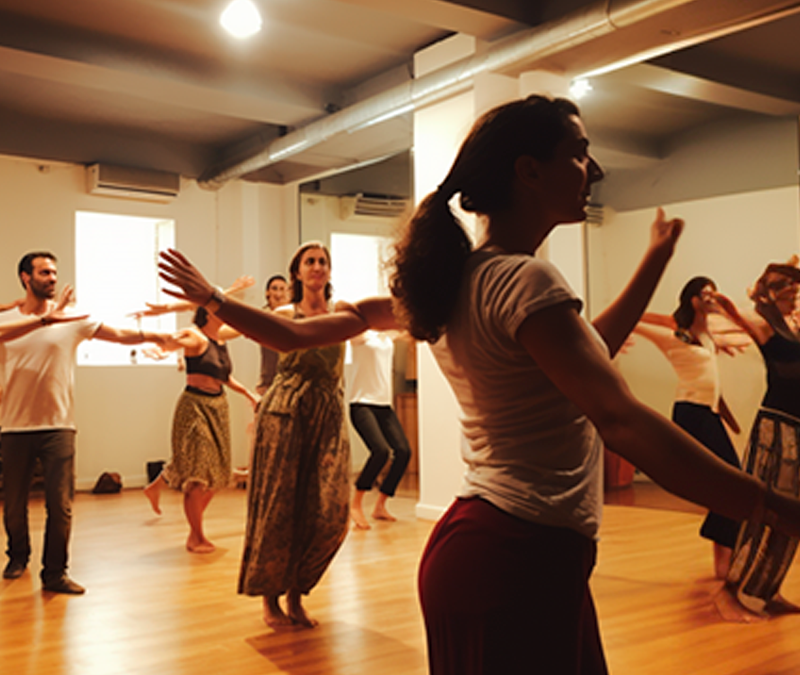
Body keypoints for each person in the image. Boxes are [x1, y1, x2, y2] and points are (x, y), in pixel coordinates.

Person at [158, 96, 800, 673]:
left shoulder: (457, 285)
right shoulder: (525, 282)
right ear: (528, 171)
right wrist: (766, 507)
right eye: (577, 155)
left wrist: (655, 260)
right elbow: (622, 418)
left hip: (496, 553)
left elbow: (590, 358)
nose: (593, 171)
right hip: (517, 560)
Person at [0, 251, 168, 594]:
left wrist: (155, 336)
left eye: (54, 272)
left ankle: (55, 573)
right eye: (44, 272)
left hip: (59, 426)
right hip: (14, 426)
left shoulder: (74, 319)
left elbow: (119, 334)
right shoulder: (11, 318)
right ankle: (18, 555)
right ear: (24, 277)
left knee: (60, 505)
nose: (52, 278)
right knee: (14, 503)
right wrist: (48, 320)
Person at [242, 242, 351, 628]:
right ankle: (275, 600)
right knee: (281, 507)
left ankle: (298, 590)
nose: (317, 267)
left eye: (323, 262)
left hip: (328, 413)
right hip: (286, 410)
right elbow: (227, 326)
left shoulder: (344, 314)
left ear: (329, 271)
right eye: (310, 262)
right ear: (298, 272)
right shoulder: (285, 313)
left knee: (330, 510)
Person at [633, 277, 743, 578]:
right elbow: (637, 319)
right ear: (692, 299)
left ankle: (723, 558)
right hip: (690, 413)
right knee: (731, 481)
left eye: (712, 293)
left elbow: (714, 380)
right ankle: (723, 561)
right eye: (704, 294)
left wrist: (727, 419)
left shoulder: (707, 336)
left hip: (707, 414)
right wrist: (620, 335)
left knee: (730, 483)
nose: (710, 298)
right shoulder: (675, 335)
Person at [713, 258, 800, 616]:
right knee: (768, 512)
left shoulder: (793, 327)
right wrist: (737, 299)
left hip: (795, 429)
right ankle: (740, 592)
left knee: (789, 518)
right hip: (776, 429)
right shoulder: (763, 325)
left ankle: (767, 590)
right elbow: (735, 313)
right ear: (771, 296)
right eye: (790, 293)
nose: (796, 298)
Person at [142, 306, 258, 553]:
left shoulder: (220, 339)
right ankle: (196, 536)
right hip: (195, 408)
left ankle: (159, 487)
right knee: (197, 475)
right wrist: (163, 349)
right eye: (218, 308)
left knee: (217, 473)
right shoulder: (195, 335)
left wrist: (249, 394)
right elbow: (175, 340)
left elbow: (225, 377)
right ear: (207, 313)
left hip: (218, 407)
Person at [348, 330, 411, 529]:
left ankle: (380, 506)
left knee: (403, 451)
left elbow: (411, 333)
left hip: (384, 406)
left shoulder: (388, 336)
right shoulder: (361, 336)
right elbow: (343, 308)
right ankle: (356, 504)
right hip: (361, 404)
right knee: (380, 451)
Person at [256, 274, 289, 396]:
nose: (278, 294)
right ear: (267, 293)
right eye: (274, 288)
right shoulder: (263, 317)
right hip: (268, 383)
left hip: (290, 385)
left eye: (282, 289)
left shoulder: (296, 317)